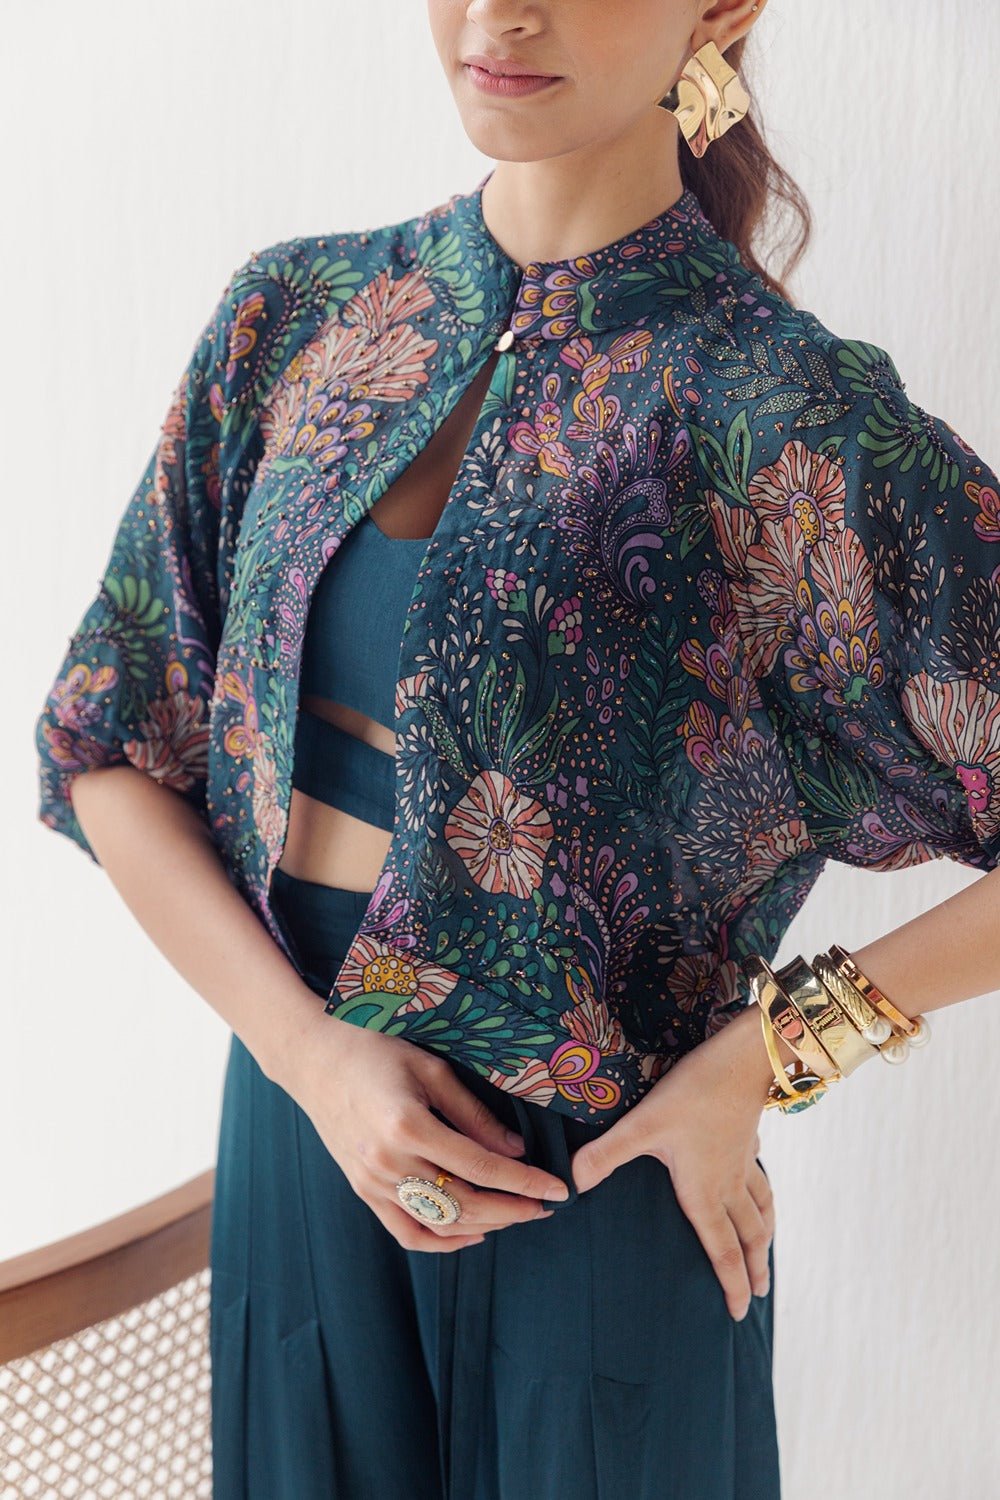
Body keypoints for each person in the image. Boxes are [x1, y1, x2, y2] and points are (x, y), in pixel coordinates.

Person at [32, 2, 1000, 1496]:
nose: (505, 9)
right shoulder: (298, 316)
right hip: (301, 1123)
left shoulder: (781, 412)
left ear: (723, 8)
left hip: (604, 1180)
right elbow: (109, 738)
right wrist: (312, 1061)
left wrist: (774, 1054)